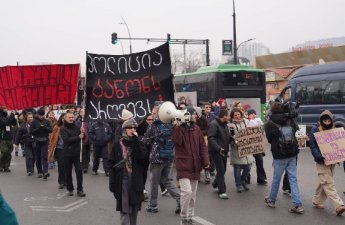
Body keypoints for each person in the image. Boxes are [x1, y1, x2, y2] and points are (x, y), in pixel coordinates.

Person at [264, 102, 304, 214]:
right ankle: (297, 204)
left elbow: (269, 139)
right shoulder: (290, 119)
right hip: (292, 153)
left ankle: (271, 200)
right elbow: (296, 130)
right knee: (293, 179)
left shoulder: (269, 123)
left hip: (279, 155)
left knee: (276, 178)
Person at [172, 107, 210, 225]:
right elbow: (177, 142)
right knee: (187, 192)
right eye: (193, 114)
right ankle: (183, 217)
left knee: (193, 194)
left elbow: (202, 146)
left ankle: (190, 216)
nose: (195, 116)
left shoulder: (196, 128)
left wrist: (206, 160)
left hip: (195, 164)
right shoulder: (178, 128)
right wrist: (178, 126)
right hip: (183, 164)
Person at [144, 104, 181, 214]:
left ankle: (153, 205)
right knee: (167, 180)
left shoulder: (154, 125)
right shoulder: (172, 124)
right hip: (169, 156)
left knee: (154, 181)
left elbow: (146, 140)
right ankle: (180, 199)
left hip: (157, 158)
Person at [109, 118, 146, 225]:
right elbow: (111, 164)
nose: (132, 129)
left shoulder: (138, 142)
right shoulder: (118, 145)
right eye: (130, 127)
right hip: (123, 180)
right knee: (125, 209)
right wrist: (112, 182)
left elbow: (142, 159)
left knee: (134, 209)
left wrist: (137, 142)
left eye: (134, 127)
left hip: (136, 179)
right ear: (125, 129)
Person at [309, 110, 345, 216]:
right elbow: (313, 146)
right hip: (321, 161)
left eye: (329, 120)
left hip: (331, 161)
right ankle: (339, 205)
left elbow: (338, 143)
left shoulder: (333, 129)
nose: (327, 122)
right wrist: (319, 157)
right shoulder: (315, 129)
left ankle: (316, 200)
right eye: (325, 120)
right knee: (328, 183)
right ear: (321, 120)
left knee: (323, 182)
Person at [229, 108, 255, 193]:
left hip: (246, 148)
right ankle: (238, 184)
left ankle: (243, 180)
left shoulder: (246, 121)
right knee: (237, 167)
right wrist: (235, 141)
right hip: (236, 148)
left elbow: (251, 131)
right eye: (235, 115)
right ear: (232, 116)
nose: (237, 116)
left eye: (238, 114)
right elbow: (231, 136)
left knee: (248, 166)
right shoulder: (230, 125)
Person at [60, 112, 86, 197]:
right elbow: (66, 140)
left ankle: (80, 189)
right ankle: (70, 189)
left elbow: (83, 138)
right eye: (69, 117)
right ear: (65, 118)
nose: (71, 119)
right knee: (68, 172)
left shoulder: (77, 126)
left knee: (79, 171)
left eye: (72, 117)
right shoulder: (63, 128)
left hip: (76, 153)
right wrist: (78, 137)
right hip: (67, 153)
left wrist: (83, 133)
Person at [208, 109, 231, 199]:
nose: (229, 117)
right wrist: (218, 148)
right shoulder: (214, 124)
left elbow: (226, 137)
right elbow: (211, 138)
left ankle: (215, 184)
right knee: (221, 170)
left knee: (223, 169)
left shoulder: (225, 125)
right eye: (228, 115)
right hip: (216, 151)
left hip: (223, 151)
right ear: (224, 116)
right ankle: (222, 191)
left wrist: (232, 139)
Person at [247, 109, 267, 185]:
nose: (253, 115)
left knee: (259, 161)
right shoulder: (246, 121)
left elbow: (262, 132)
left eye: (254, 113)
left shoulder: (258, 120)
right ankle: (246, 177)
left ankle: (261, 178)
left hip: (257, 144)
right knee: (248, 162)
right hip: (249, 143)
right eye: (251, 114)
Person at [31, 108, 52, 179]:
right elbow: (31, 131)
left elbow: (50, 130)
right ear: (38, 115)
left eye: (42, 115)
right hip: (37, 140)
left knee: (44, 156)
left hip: (45, 140)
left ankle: (45, 172)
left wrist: (45, 127)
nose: (41, 116)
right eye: (40, 115)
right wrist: (39, 128)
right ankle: (39, 171)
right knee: (38, 157)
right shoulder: (34, 121)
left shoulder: (47, 121)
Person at [137, 113, 153, 201]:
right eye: (149, 120)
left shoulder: (153, 128)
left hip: (148, 155)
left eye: (151, 120)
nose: (150, 121)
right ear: (145, 120)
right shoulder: (139, 128)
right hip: (140, 154)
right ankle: (141, 190)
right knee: (140, 173)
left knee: (144, 173)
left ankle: (142, 189)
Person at [47, 113, 66, 189]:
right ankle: (61, 182)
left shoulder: (72, 127)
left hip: (69, 149)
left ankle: (67, 181)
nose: (64, 120)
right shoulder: (57, 127)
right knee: (61, 165)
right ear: (61, 119)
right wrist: (51, 146)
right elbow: (52, 138)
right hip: (59, 148)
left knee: (67, 166)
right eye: (63, 118)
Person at [0, 106, 17, 172]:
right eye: (4, 108)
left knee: (9, 152)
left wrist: (13, 116)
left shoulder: (8, 116)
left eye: (6, 108)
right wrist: (11, 115)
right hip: (2, 137)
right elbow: (5, 123)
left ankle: (6, 166)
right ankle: (1, 165)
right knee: (4, 151)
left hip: (9, 137)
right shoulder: (1, 116)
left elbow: (14, 123)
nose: (6, 109)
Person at [74, 108, 91, 174]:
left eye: (84, 112)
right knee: (83, 153)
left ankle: (87, 162)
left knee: (87, 152)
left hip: (88, 139)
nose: (83, 113)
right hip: (82, 139)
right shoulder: (78, 121)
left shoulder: (88, 120)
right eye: (81, 112)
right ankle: (84, 167)